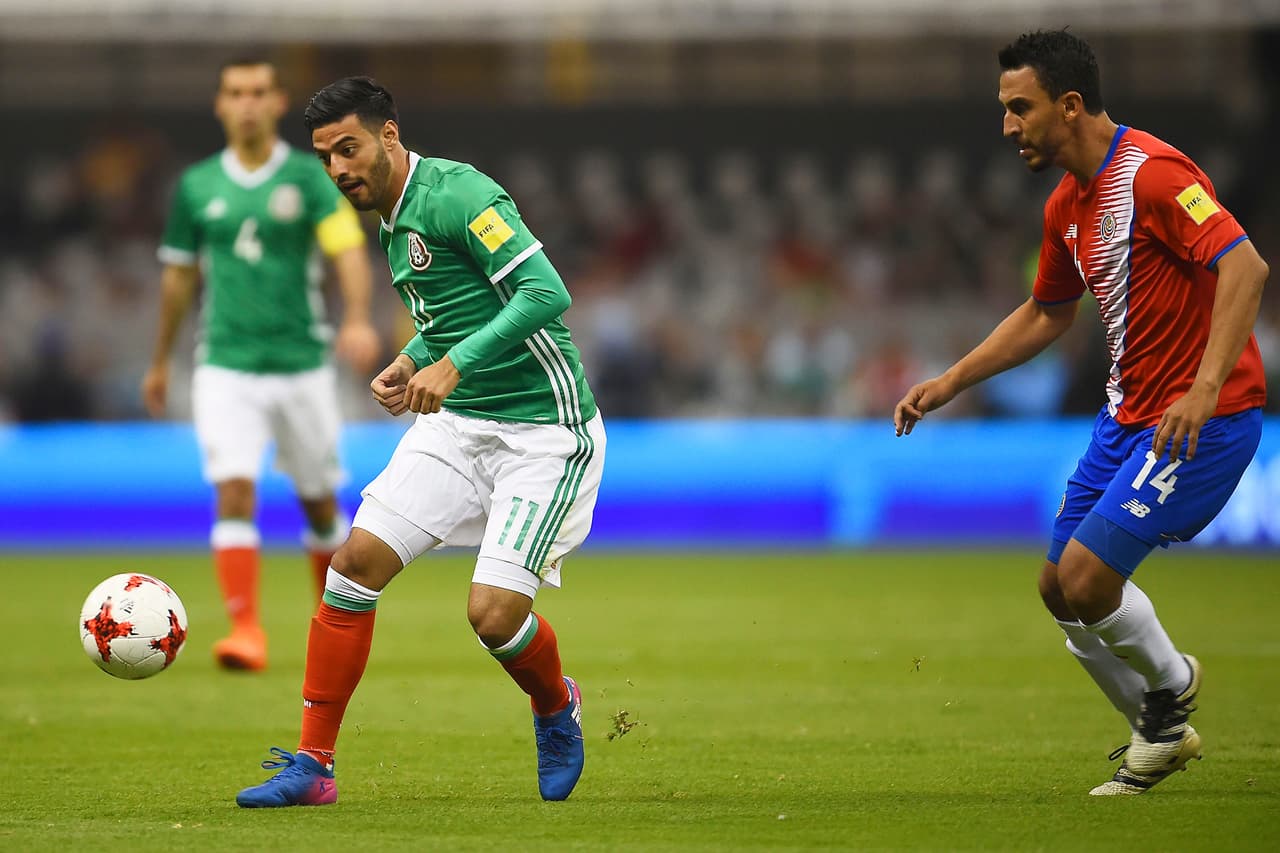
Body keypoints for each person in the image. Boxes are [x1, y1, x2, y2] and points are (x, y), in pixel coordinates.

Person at [893, 29, 1268, 796]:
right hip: (1126, 420)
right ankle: (1161, 732)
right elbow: (1046, 312)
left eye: (1018, 108)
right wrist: (952, 380)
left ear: (1069, 105)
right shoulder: (1067, 202)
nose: (1007, 127)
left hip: (1204, 417)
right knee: (1057, 585)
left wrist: (1201, 387)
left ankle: (1172, 687)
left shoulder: (1157, 175)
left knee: (1091, 578)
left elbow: (1246, 266)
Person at [234, 77, 606, 808]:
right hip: (459, 428)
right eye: (325, 156)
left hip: (544, 432)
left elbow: (545, 293)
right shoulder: (389, 217)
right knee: (351, 567)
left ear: (389, 137)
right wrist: (412, 358)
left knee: (494, 617)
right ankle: (314, 766)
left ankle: (555, 705)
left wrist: (453, 363)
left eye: (349, 148)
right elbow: (453, 310)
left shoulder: (462, 196)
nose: (339, 168)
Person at [142, 59, 381, 672]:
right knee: (234, 489)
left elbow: (347, 249)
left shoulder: (308, 177)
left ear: (277, 103)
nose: (246, 103)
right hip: (224, 361)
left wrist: (356, 316)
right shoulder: (196, 187)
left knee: (320, 504)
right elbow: (178, 279)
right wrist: (160, 360)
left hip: (301, 361)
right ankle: (245, 630)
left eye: (257, 93)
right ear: (220, 105)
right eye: (234, 93)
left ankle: (330, 626)